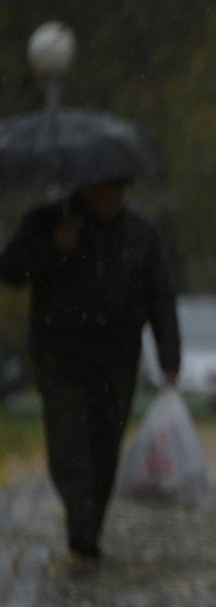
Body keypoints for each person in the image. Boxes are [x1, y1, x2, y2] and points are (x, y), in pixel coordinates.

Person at [0, 176, 180, 560]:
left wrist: (169, 357)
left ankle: (92, 518)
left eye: (122, 186)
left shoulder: (140, 232)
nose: (116, 195)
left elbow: (160, 294)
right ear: (86, 187)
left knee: (104, 442)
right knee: (69, 441)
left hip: (117, 356)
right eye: (107, 186)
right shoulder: (47, 221)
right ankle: (80, 523)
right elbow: (11, 269)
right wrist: (53, 248)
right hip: (59, 353)